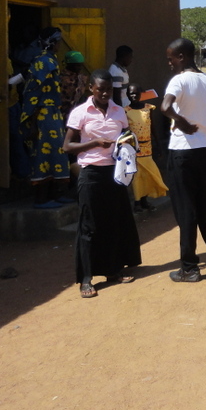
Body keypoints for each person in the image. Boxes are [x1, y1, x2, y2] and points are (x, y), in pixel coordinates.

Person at [64, 69, 142, 299]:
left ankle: (113, 269)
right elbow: (67, 146)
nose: (105, 93)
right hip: (91, 173)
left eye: (108, 89)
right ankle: (86, 277)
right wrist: (94, 143)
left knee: (114, 220)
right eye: (100, 89)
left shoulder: (119, 111)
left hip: (115, 172)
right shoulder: (80, 112)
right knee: (89, 224)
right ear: (91, 89)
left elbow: (125, 135)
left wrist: (127, 143)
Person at [161, 38, 206, 283]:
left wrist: (180, 122)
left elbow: (165, 106)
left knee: (186, 210)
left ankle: (189, 267)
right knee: (205, 206)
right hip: (203, 151)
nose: (169, 63)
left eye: (171, 58)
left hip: (181, 152)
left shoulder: (179, 80)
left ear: (182, 56)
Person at [20, 27, 69, 208]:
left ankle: (56, 194)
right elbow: (33, 90)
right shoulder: (42, 62)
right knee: (43, 154)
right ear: (52, 42)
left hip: (53, 114)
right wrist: (31, 120)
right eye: (58, 42)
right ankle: (41, 198)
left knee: (57, 154)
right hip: (42, 115)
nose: (59, 45)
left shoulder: (51, 60)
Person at [125, 84, 169, 212]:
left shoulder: (148, 108)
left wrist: (158, 145)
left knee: (149, 174)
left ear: (141, 94)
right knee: (137, 176)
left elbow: (152, 127)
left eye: (136, 93)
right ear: (127, 95)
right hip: (134, 148)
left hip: (147, 147)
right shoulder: (126, 110)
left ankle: (145, 200)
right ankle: (138, 202)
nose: (133, 96)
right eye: (131, 93)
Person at [59, 51, 89, 121]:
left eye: (80, 65)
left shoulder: (81, 78)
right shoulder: (62, 79)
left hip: (77, 112)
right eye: (77, 65)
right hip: (62, 112)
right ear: (69, 65)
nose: (80, 68)